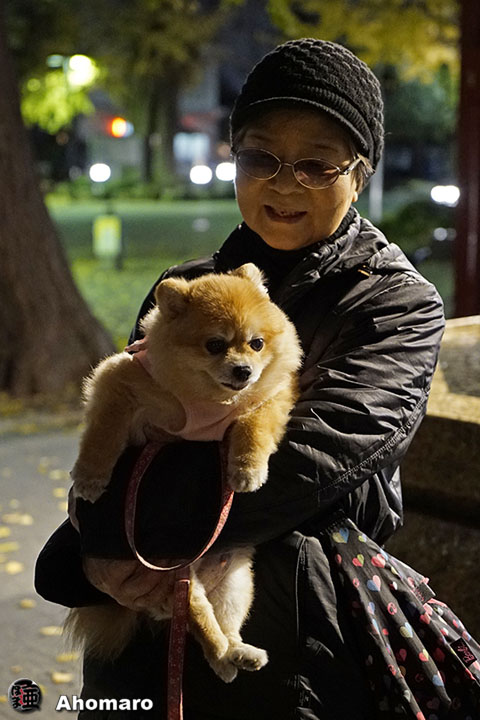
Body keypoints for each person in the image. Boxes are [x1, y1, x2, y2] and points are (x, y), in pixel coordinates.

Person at [36, 39, 480, 719]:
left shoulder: (396, 303)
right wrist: (91, 540)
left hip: (292, 610)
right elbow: (125, 418)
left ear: (360, 173)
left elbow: (316, 458)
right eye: (261, 157)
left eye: (317, 164)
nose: (284, 183)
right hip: (139, 626)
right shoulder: (186, 287)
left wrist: (120, 539)